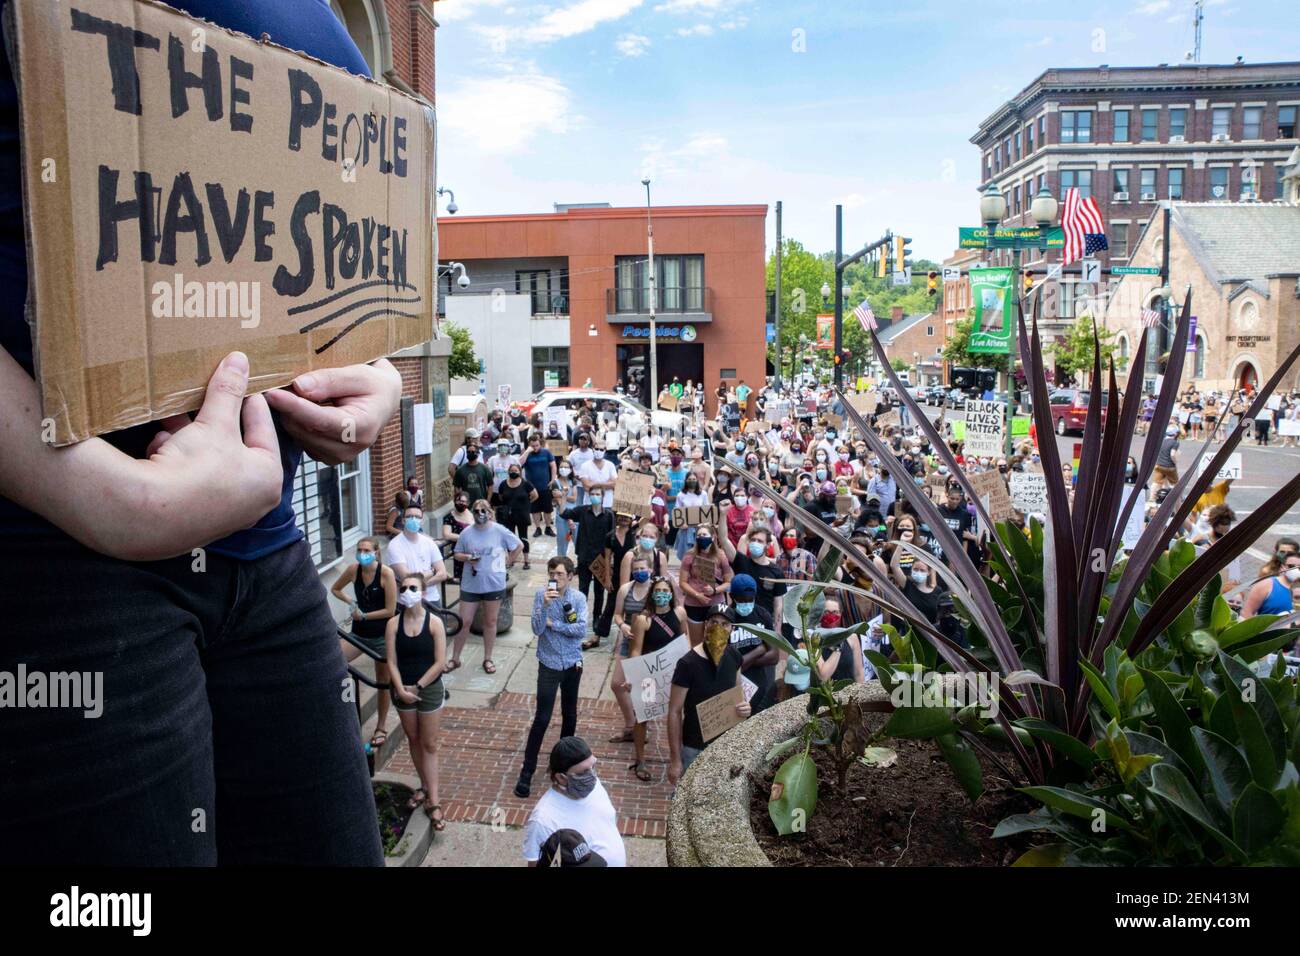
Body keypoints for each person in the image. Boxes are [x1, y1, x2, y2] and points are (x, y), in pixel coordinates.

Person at [0, 0, 405, 865]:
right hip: (58, 558)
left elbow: (329, 259)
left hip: (265, 549)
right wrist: (102, 498)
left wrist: (380, 373)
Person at [514, 558, 589, 798]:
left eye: (559, 574)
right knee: (542, 718)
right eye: (551, 573)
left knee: (570, 714)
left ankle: (565, 766)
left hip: (572, 663)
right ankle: (527, 771)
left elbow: (580, 630)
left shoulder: (577, 599)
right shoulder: (540, 595)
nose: (554, 578)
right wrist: (544, 607)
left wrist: (553, 624)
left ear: (570, 576)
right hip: (548, 663)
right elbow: (536, 629)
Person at [386, 572, 448, 831]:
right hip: (402, 689)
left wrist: (418, 686)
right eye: (404, 588)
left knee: (429, 743)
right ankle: (423, 785)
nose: (407, 591)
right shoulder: (393, 624)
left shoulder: (434, 623)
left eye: (413, 588)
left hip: (428, 689)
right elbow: (391, 660)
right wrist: (401, 688)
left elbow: (440, 662)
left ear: (422, 593)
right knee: (413, 739)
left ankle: (434, 801)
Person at [667, 604, 753, 786]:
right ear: (705, 624)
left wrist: (745, 708)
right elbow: (674, 712)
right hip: (694, 746)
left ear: (732, 629)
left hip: (725, 744)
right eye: (714, 622)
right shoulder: (687, 663)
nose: (718, 628)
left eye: (724, 624)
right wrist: (675, 760)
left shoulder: (734, 656)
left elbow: (739, 697)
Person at [331, 536, 397, 752]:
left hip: (381, 635)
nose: (362, 553)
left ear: (377, 552)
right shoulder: (353, 570)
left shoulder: (386, 574)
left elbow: (390, 610)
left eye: (366, 550)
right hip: (358, 635)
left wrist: (365, 616)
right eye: (359, 549)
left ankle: (381, 726)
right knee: (335, 664)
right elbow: (335, 589)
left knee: (382, 681)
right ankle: (346, 711)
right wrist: (351, 602)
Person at [522, 737, 626, 867]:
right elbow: (535, 863)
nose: (592, 775)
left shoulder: (594, 786)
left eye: (593, 766)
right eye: (584, 772)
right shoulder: (543, 820)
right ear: (561, 777)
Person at [623, 576, 688, 781]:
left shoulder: (680, 613)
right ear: (652, 594)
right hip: (649, 676)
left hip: (675, 675)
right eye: (658, 591)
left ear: (671, 594)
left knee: (678, 715)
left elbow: (686, 642)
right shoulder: (643, 620)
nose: (662, 594)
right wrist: (632, 675)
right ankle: (640, 759)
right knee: (643, 716)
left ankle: (677, 757)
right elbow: (636, 650)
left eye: (665, 591)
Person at [451, 500, 524, 675]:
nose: (480, 513)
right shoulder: (467, 533)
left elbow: (519, 545)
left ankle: (488, 658)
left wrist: (509, 560)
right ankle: (455, 658)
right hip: (471, 585)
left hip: (494, 583)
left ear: (490, 513)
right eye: (476, 510)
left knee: (490, 622)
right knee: (464, 622)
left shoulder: (499, 530)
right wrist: (468, 558)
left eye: (483, 510)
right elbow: (457, 554)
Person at [560, 494, 614, 648]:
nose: (596, 496)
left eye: (599, 494)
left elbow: (612, 537)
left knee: (599, 591)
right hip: (584, 556)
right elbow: (565, 513)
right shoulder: (583, 511)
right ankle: (578, 616)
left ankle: (597, 617)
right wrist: (562, 498)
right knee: (582, 589)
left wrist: (609, 559)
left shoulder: (609, 515)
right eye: (594, 494)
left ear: (603, 497)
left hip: (600, 559)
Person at [726, 574, 779, 712]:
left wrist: (742, 662)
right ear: (732, 596)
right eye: (742, 600)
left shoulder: (762, 615)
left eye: (750, 600)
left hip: (761, 685)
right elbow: (726, 667)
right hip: (733, 686)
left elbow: (774, 656)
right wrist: (759, 650)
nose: (746, 604)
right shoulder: (725, 619)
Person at [679, 523, 735, 645]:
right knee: (697, 644)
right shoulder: (689, 555)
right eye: (699, 535)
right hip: (694, 605)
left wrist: (714, 590)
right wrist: (697, 595)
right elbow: (682, 582)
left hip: (716, 604)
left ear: (713, 537)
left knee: (717, 642)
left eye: (704, 534)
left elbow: (728, 582)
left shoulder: (721, 555)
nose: (701, 537)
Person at [387, 503, 449, 607]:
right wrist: (432, 571)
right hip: (407, 601)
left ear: (421, 520)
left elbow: (443, 574)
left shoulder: (429, 542)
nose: (413, 519)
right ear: (403, 520)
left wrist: (420, 587)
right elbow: (407, 577)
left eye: (417, 517)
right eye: (409, 516)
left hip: (432, 599)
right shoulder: (394, 545)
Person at [492, 465, 538, 571]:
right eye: (511, 470)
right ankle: (511, 560)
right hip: (508, 515)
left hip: (522, 514)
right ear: (508, 472)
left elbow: (535, 495)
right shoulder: (503, 484)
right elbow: (501, 497)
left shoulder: (526, 484)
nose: (513, 472)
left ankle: (526, 560)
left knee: (523, 537)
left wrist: (527, 504)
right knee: (509, 538)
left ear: (520, 471)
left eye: (516, 470)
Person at [813, 598, 865, 685]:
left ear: (841, 614)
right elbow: (823, 676)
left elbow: (858, 673)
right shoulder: (814, 639)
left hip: (849, 693)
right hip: (827, 695)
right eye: (826, 612)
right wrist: (838, 647)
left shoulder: (851, 637)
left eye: (835, 612)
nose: (831, 616)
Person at [1241, 551, 1300, 619]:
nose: (1295, 570)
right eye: (1291, 566)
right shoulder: (1266, 585)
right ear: (1282, 567)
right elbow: (1247, 613)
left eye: (1299, 568)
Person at [520, 434, 558, 538]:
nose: (535, 448)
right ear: (529, 445)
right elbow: (519, 464)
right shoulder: (527, 453)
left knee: (547, 509)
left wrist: (553, 479)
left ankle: (548, 527)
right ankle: (537, 528)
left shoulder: (546, 452)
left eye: (537, 445)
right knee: (534, 509)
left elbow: (553, 465)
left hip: (545, 485)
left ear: (540, 443)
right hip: (532, 487)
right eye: (533, 446)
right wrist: (527, 452)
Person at [442, 493, 475, 582]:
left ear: (468, 503)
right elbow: (447, 534)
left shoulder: (473, 515)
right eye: (459, 501)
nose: (461, 503)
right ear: (454, 501)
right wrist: (464, 537)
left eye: (463, 501)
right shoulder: (449, 517)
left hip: (474, 550)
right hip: (459, 552)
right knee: (462, 579)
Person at [454, 441, 494, 505]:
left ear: (477, 454)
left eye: (473, 452)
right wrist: (459, 501)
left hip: (481, 503)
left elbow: (490, 485)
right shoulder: (460, 470)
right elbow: (456, 487)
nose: (470, 453)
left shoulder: (484, 469)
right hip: (466, 504)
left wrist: (488, 501)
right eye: (468, 452)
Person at [1151, 425, 1180, 497]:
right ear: (1175, 434)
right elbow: (1172, 454)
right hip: (1169, 466)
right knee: (1175, 483)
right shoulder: (1175, 442)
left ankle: (1152, 497)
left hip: (1159, 465)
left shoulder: (1161, 441)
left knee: (1156, 482)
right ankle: (1175, 497)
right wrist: (1175, 462)